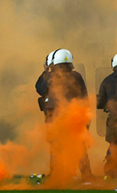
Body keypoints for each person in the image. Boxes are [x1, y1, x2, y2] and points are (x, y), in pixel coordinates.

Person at [35, 49, 92, 179]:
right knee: (79, 145)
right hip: (74, 116)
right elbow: (84, 97)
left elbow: (40, 89)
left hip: (55, 117)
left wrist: (45, 71)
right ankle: (86, 174)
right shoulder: (76, 76)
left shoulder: (50, 76)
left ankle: (56, 174)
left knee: (56, 146)